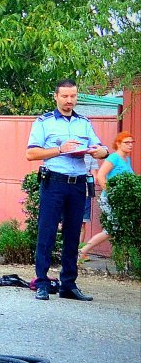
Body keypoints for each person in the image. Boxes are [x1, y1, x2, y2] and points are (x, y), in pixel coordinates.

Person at [24, 80, 108, 301]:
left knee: (72, 235)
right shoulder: (44, 122)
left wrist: (99, 151)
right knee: (47, 232)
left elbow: (102, 148)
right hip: (55, 182)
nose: (69, 101)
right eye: (65, 96)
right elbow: (31, 154)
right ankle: (41, 282)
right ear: (56, 97)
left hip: (78, 183)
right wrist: (60, 149)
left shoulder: (84, 123)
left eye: (73, 96)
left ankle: (68, 284)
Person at [78, 132, 135, 262]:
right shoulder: (113, 158)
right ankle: (83, 251)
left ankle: (124, 259)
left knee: (123, 227)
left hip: (122, 200)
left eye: (132, 142)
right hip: (110, 199)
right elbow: (100, 176)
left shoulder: (127, 160)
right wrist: (111, 193)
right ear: (118, 144)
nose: (130, 145)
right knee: (111, 229)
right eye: (127, 142)